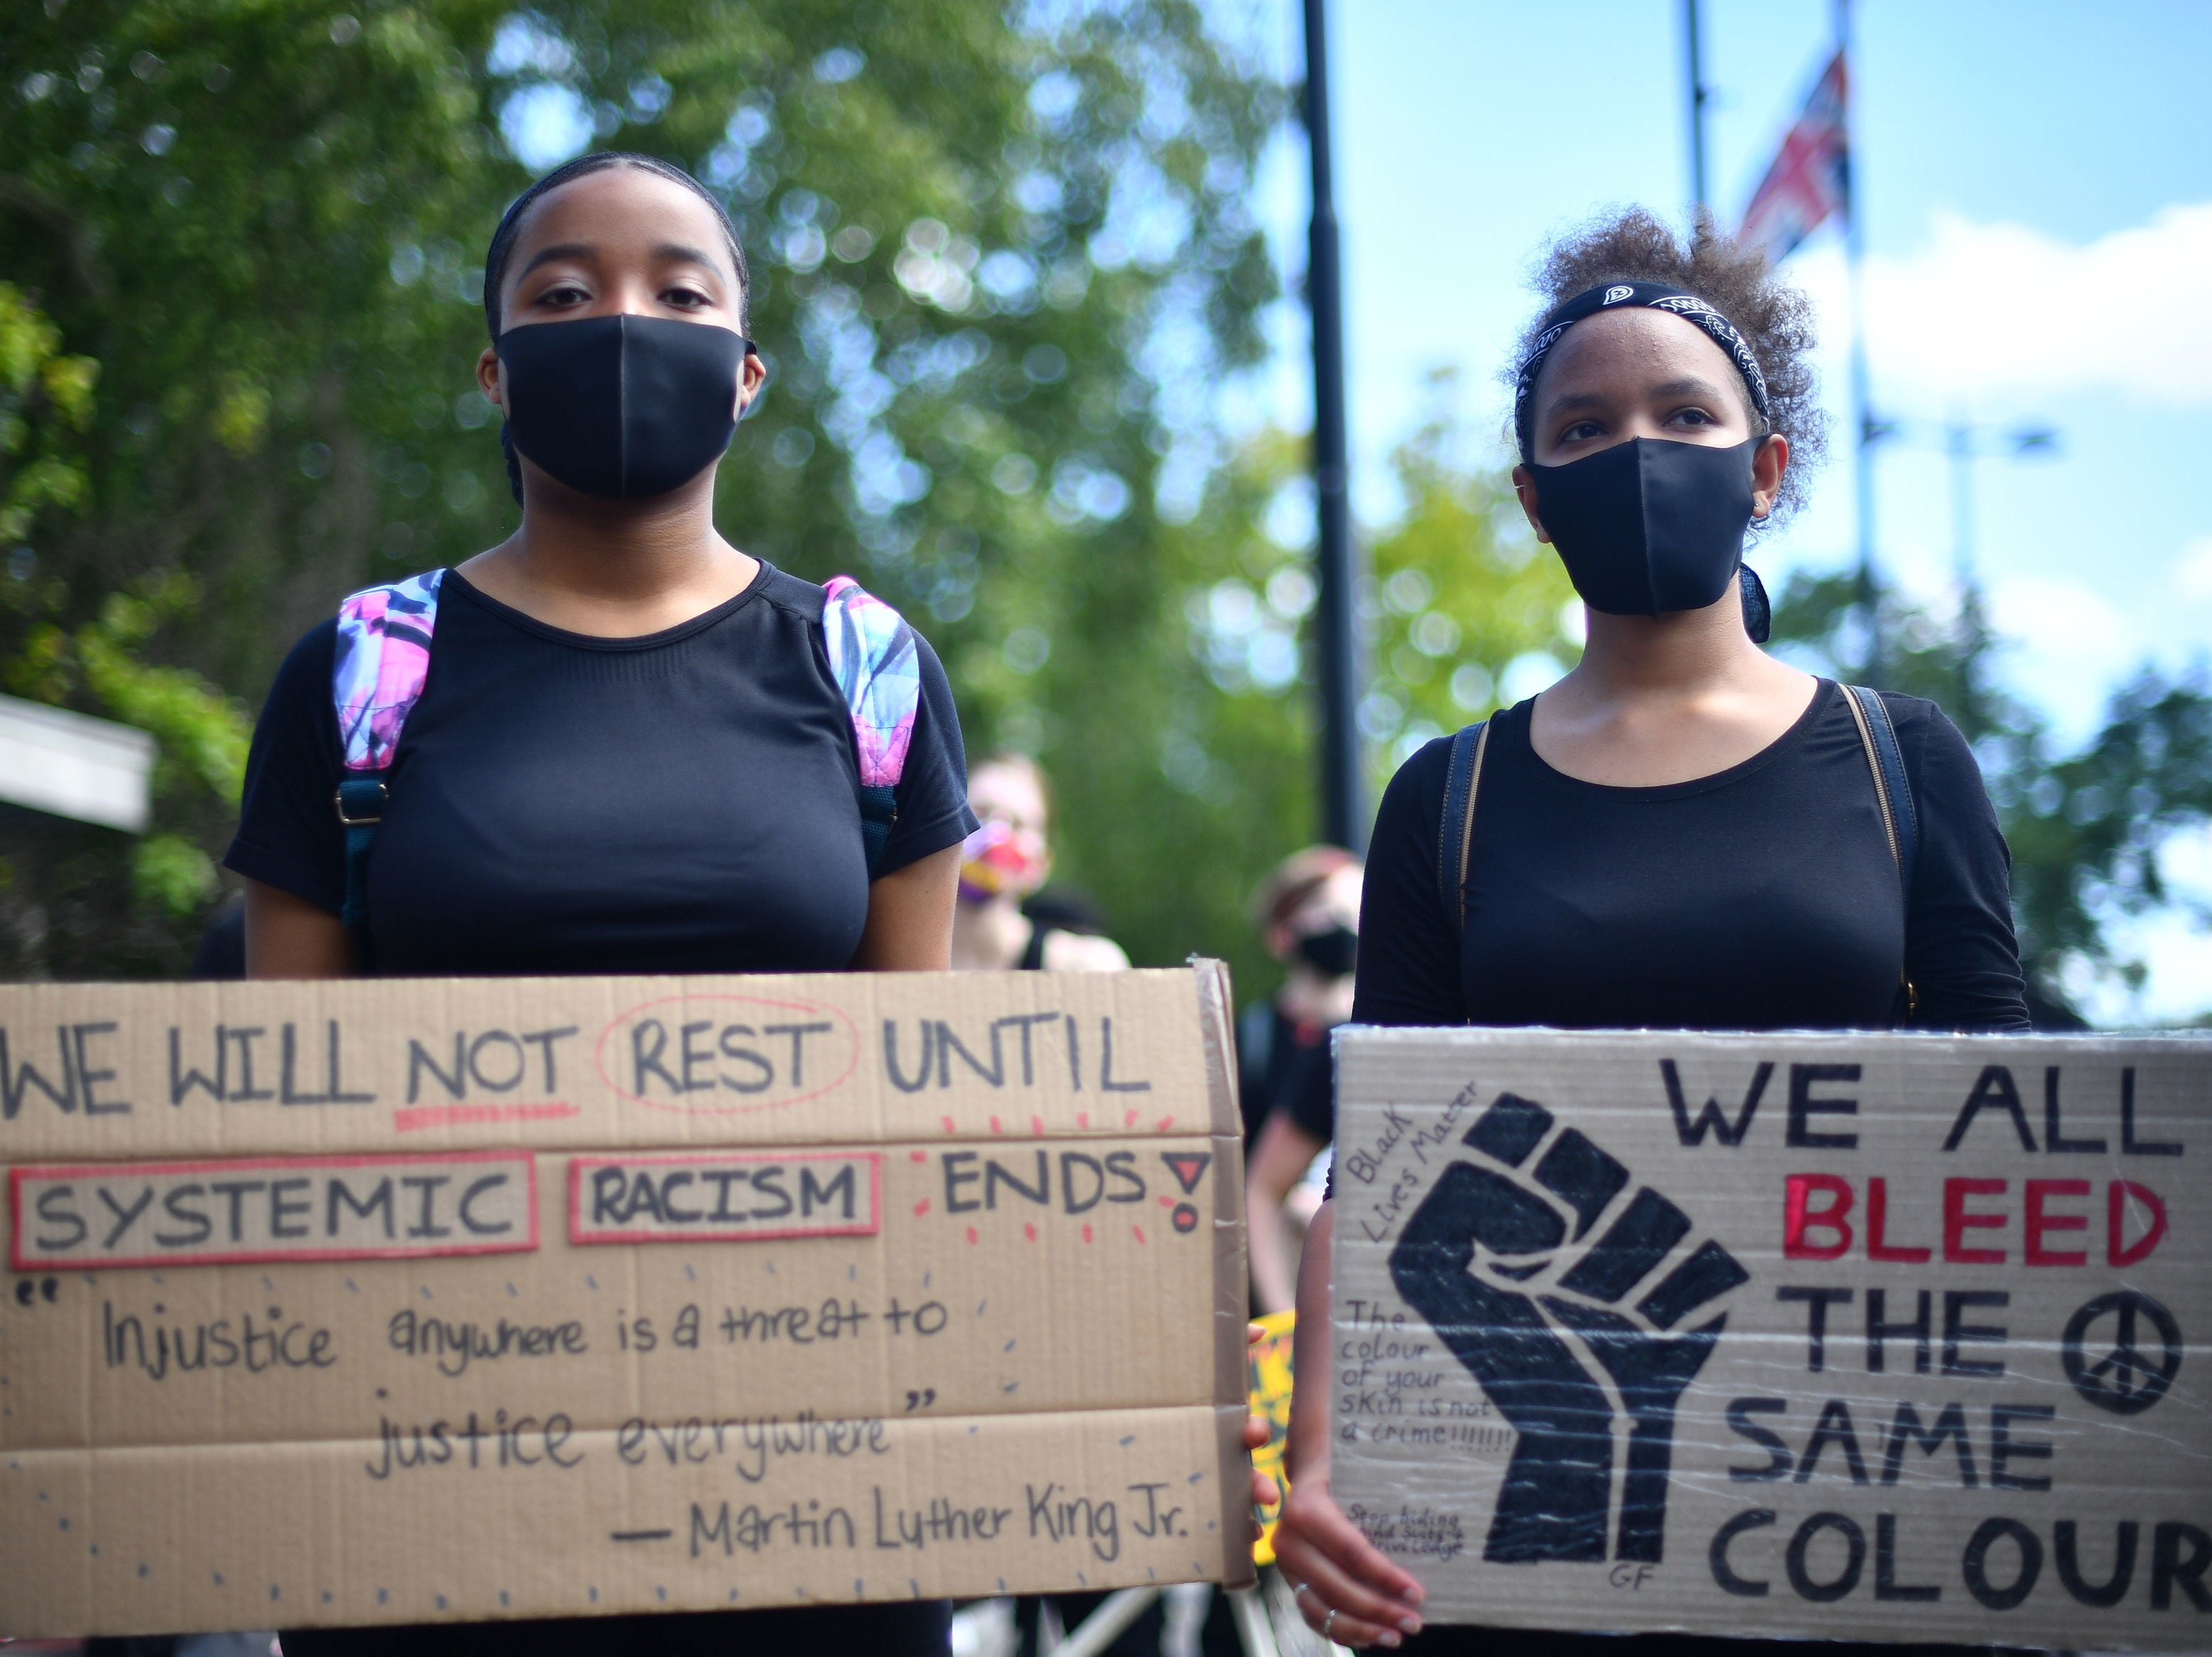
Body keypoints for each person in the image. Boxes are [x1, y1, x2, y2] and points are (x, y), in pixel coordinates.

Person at [226, 151, 975, 1656]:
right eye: (565, 292)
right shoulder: (362, 671)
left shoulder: (868, 667)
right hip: (428, 1490)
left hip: (812, 1490)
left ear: (746, 371)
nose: (625, 320)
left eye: (677, 291)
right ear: (498, 371)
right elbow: (274, 1119)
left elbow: (926, 1108)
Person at [1262, 208, 2030, 1656]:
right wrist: (1316, 1461)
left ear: (1766, 466)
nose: (1635, 448)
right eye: (1584, 424)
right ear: (1535, 496)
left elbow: (2022, 1118)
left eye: (1684, 412)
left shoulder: (1898, 757)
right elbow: (1388, 1155)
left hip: (1863, 1519)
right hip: (1539, 1535)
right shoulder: (1450, 798)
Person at [1238, 845, 1362, 1315]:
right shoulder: (1250, 1036)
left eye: (1355, 912)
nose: (1346, 928)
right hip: (1279, 1271)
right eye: (1327, 912)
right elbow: (1259, 1183)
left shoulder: (1376, 1034)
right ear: (1283, 932)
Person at [952, 751, 1130, 973]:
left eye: (1018, 825)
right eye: (979, 814)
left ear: (1041, 864)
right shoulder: (898, 960)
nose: (996, 834)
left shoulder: (1083, 969)